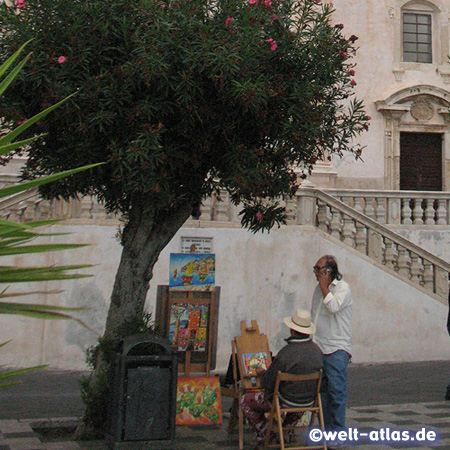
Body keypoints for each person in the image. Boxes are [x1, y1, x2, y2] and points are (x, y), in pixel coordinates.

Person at [240, 309, 323, 448]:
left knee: (245, 401)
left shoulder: (286, 353)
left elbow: (268, 382)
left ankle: (266, 436)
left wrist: (262, 373)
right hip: (308, 402)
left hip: (284, 401)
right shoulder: (317, 352)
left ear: (292, 330)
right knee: (294, 401)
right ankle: (285, 433)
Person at [310, 255, 353, 441]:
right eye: (315, 269)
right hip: (320, 345)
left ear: (328, 271)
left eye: (319, 269)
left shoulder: (343, 288)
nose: (316, 273)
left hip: (336, 348)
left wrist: (324, 287)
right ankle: (327, 431)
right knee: (323, 393)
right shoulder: (318, 290)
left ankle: (339, 432)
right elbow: (316, 315)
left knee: (337, 392)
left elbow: (334, 307)